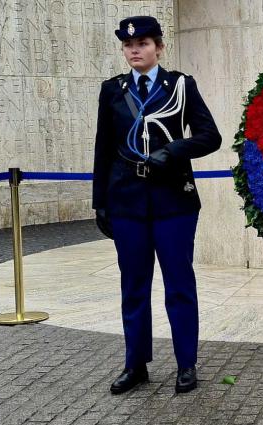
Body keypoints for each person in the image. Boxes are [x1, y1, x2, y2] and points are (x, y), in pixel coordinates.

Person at [92, 16, 222, 394]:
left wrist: (173, 151)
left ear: (159, 47)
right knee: (133, 285)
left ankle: (186, 363)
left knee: (179, 284)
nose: (135, 50)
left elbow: (209, 136)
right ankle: (136, 365)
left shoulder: (180, 85)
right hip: (127, 202)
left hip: (173, 202)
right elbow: (103, 149)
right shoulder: (112, 90)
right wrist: (100, 202)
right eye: (129, 45)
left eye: (144, 43)